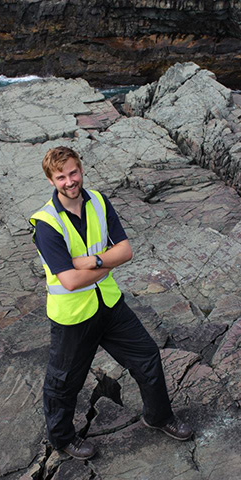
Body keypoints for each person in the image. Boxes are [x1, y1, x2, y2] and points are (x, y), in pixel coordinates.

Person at [29, 146, 193, 460]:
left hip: (110, 304)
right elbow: (70, 281)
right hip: (73, 316)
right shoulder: (46, 223)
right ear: (51, 180)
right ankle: (62, 438)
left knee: (147, 358)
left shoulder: (99, 202)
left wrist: (92, 261)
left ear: (81, 170)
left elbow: (126, 251)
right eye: (61, 177)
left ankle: (159, 417)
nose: (69, 181)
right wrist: (108, 262)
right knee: (64, 383)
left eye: (73, 173)